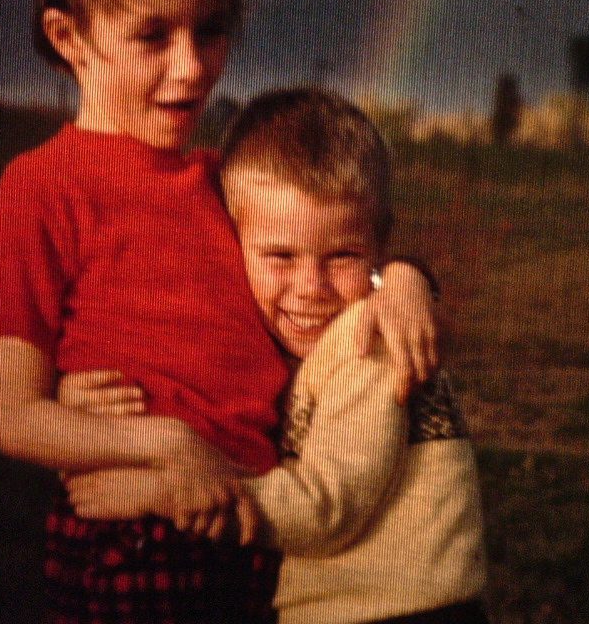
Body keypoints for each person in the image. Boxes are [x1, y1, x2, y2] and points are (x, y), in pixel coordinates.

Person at [0, 0, 441, 624]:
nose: (191, 69)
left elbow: (316, 273)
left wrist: (402, 278)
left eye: (213, 31)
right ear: (69, 36)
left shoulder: (224, 181)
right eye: (152, 36)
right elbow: (15, 418)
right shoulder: (39, 187)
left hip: (260, 522)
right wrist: (167, 444)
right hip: (142, 535)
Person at [64, 87, 490, 624]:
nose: (310, 287)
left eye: (341, 256)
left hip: (402, 613)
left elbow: (323, 508)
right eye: (280, 256)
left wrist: (167, 492)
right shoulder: (293, 337)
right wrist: (84, 390)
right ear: (230, 242)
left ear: (380, 247)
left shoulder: (370, 343)